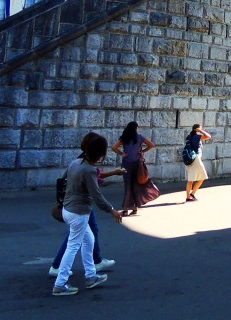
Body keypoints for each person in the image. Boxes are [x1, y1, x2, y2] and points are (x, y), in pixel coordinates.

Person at [53, 134, 123, 296]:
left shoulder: (75, 163)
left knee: (89, 239)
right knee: (72, 247)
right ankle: (60, 283)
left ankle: (91, 276)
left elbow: (62, 180)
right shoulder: (89, 170)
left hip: (68, 209)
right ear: (100, 154)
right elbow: (97, 196)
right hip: (79, 213)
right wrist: (112, 210)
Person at [111, 121, 158, 216]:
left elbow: (114, 147)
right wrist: (142, 151)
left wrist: (122, 153)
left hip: (126, 164)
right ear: (136, 128)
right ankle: (135, 208)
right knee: (135, 185)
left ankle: (125, 209)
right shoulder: (140, 137)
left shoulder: (124, 137)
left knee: (127, 186)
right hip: (137, 164)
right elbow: (151, 145)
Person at [183, 124, 211, 201]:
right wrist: (201, 131)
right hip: (196, 159)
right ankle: (192, 194)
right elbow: (208, 136)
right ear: (197, 129)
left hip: (189, 159)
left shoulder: (188, 137)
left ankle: (188, 197)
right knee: (203, 177)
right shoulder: (196, 136)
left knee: (190, 180)